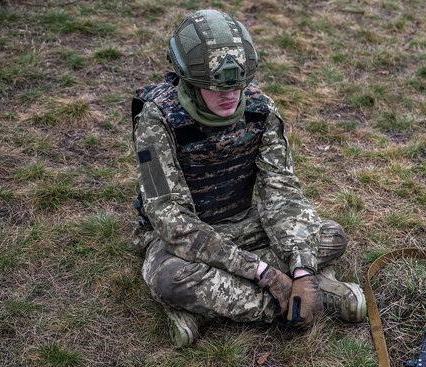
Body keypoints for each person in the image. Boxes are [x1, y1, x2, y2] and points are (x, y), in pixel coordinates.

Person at [131, 9, 366, 347]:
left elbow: (281, 192)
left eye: (238, 85)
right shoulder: (155, 120)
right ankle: (310, 300)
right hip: (182, 241)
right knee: (170, 280)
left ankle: (214, 304)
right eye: (216, 88)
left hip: (244, 222)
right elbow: (169, 217)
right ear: (190, 82)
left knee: (330, 236)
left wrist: (301, 268)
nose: (230, 96)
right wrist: (265, 273)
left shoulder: (261, 110)